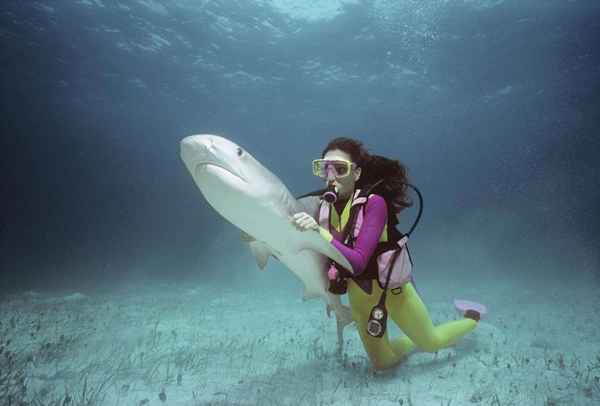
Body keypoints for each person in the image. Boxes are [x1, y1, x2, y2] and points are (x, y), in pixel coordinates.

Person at [291, 137, 485, 371]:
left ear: (357, 173)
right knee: (382, 364)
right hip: (358, 297)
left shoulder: (375, 204)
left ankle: (471, 317)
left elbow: (359, 262)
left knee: (432, 342)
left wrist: (318, 232)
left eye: (340, 169)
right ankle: (412, 343)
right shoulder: (321, 207)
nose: (331, 177)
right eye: (324, 168)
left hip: (393, 292)